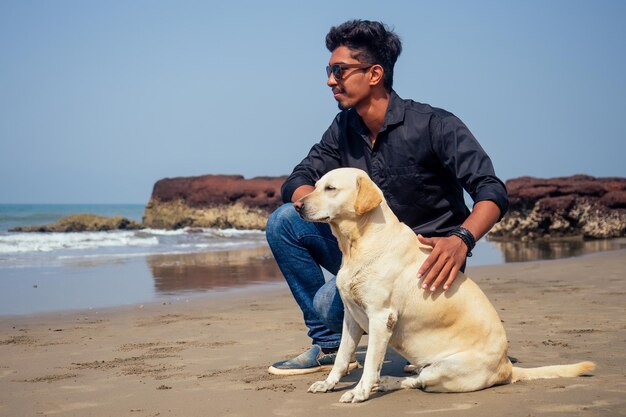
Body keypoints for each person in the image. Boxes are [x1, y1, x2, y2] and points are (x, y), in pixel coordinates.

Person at [265, 19, 508, 376]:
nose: (331, 80)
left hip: (421, 265)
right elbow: (299, 180)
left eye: (340, 70)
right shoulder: (343, 128)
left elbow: (491, 190)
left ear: (375, 74)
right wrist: (324, 203)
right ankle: (329, 347)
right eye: (329, 71)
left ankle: (410, 336)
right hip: (364, 253)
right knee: (285, 220)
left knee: (326, 305)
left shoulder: (434, 125)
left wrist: (462, 239)